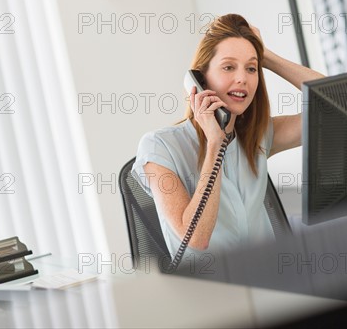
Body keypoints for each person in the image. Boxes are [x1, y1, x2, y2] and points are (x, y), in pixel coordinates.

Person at [132, 14, 324, 263]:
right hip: (214, 293)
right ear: (200, 80)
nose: (242, 78)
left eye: (251, 68)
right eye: (228, 67)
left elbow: (334, 104)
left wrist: (267, 57)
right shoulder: (159, 147)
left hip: (271, 278)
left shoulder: (259, 135)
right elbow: (197, 239)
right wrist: (214, 144)